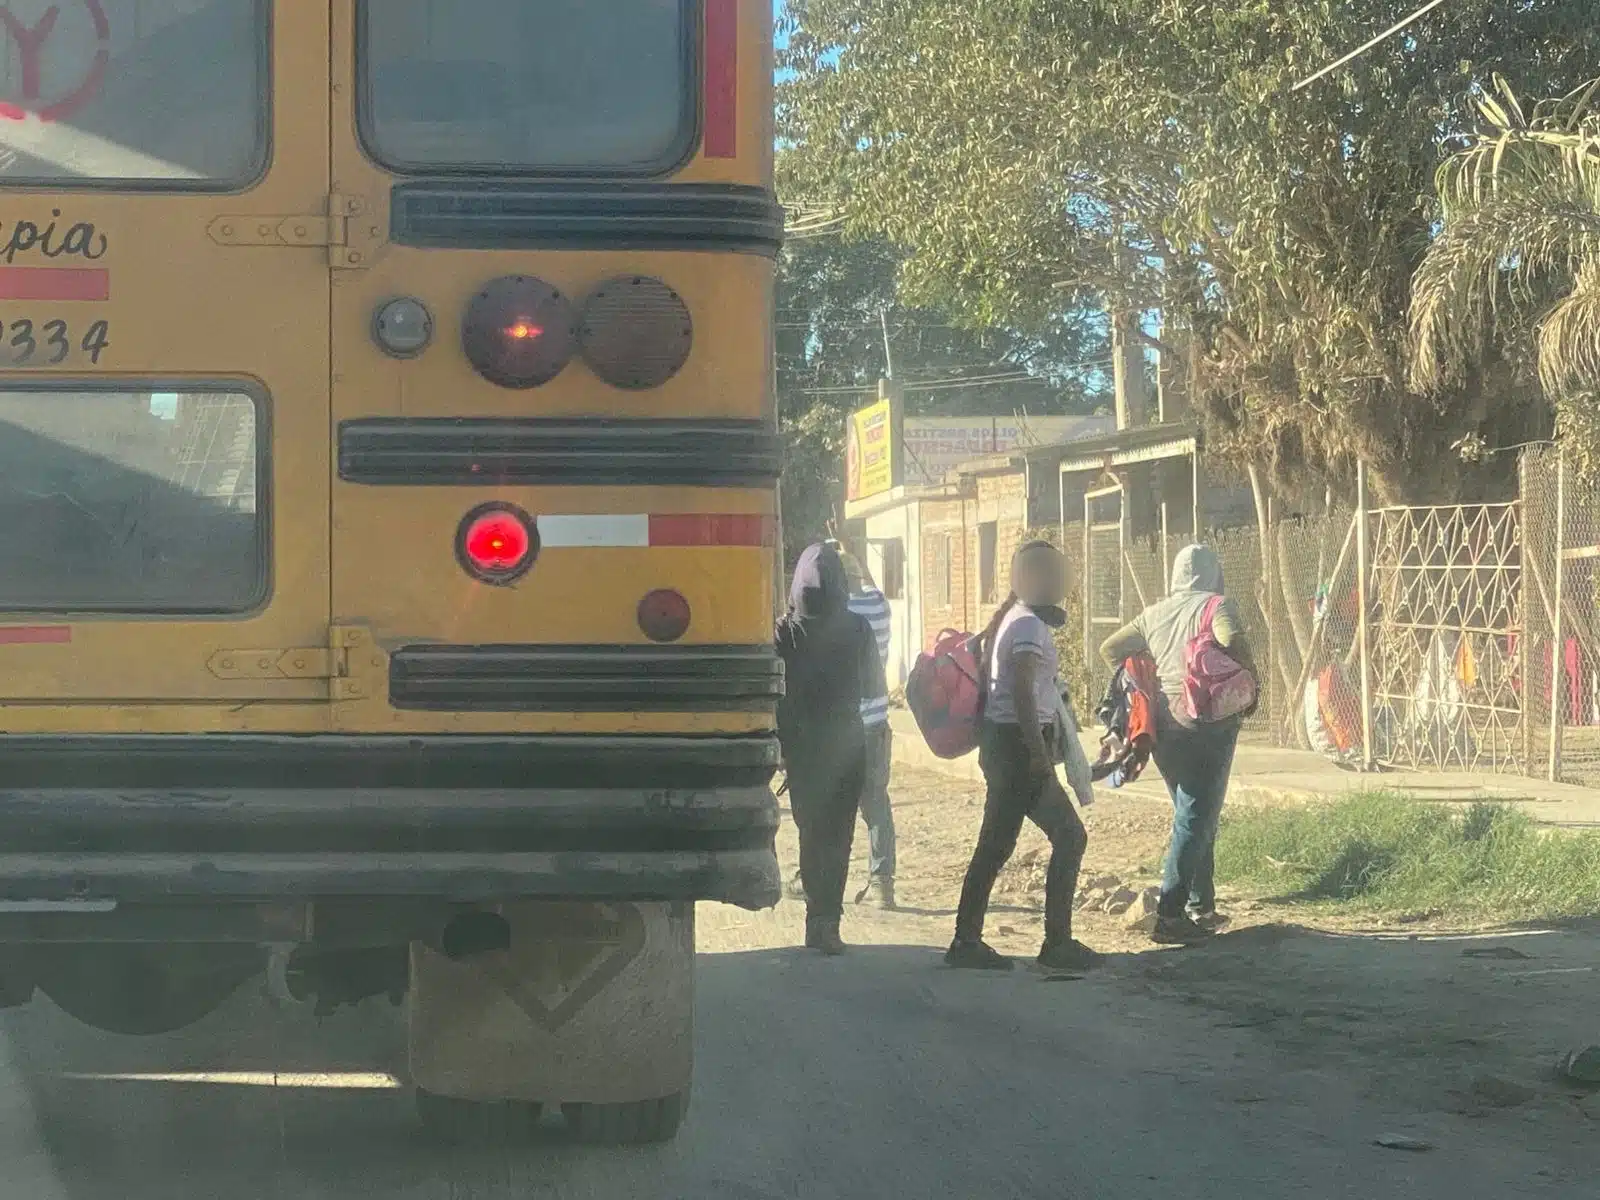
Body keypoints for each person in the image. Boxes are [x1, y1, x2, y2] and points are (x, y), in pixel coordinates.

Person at [946, 540, 1099, 972]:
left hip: (1008, 746)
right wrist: (1037, 753)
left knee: (995, 845)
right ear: (1032, 578)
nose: (1061, 582)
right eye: (1051, 573)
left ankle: (968, 940)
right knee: (1069, 836)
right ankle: (1056, 944)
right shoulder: (1028, 626)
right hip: (1017, 747)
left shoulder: (1020, 620)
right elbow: (1022, 692)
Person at [1099, 543, 1256, 946]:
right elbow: (1231, 636)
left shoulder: (1154, 613)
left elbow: (1110, 648)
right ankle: (1170, 916)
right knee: (1196, 814)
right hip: (1208, 723)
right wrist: (1251, 673)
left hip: (1165, 725)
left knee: (1192, 812)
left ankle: (1200, 905)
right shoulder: (1217, 605)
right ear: (1213, 573)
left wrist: (1146, 667)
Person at [776, 542, 887, 955]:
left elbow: (770, 693)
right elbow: (876, 688)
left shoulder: (784, 631)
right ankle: (828, 924)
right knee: (838, 838)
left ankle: (814, 918)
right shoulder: (858, 628)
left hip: (802, 751)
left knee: (811, 834)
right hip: (846, 746)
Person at [837, 543, 897, 910]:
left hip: (841, 725)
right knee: (876, 803)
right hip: (876, 721)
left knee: (831, 807)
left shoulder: (838, 612)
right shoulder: (879, 605)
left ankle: (817, 877)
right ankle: (882, 883)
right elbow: (867, 584)